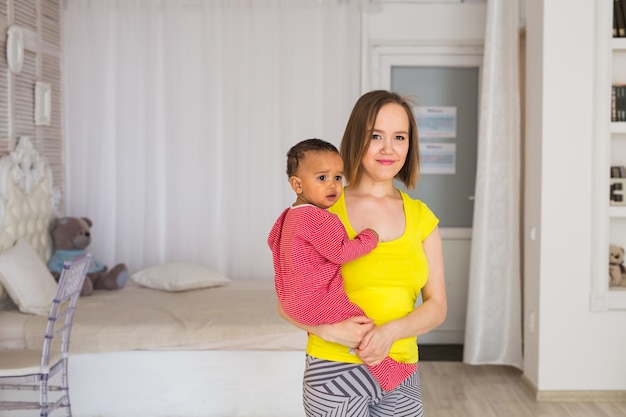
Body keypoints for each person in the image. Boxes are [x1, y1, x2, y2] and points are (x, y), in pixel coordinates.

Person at [277, 90, 446, 417]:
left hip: (400, 371)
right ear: (357, 138)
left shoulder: (422, 217)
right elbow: (287, 299)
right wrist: (327, 330)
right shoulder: (321, 212)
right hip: (333, 370)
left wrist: (390, 333)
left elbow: (437, 306)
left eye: (399, 137)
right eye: (375, 136)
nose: (388, 149)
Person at [268, 138, 417, 392]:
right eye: (322, 178)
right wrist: (369, 237)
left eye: (338, 177)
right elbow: (341, 252)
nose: (333, 186)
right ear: (297, 184)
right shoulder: (318, 218)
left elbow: (272, 241)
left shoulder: (287, 216)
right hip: (317, 297)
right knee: (362, 326)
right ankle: (388, 371)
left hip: (292, 300)